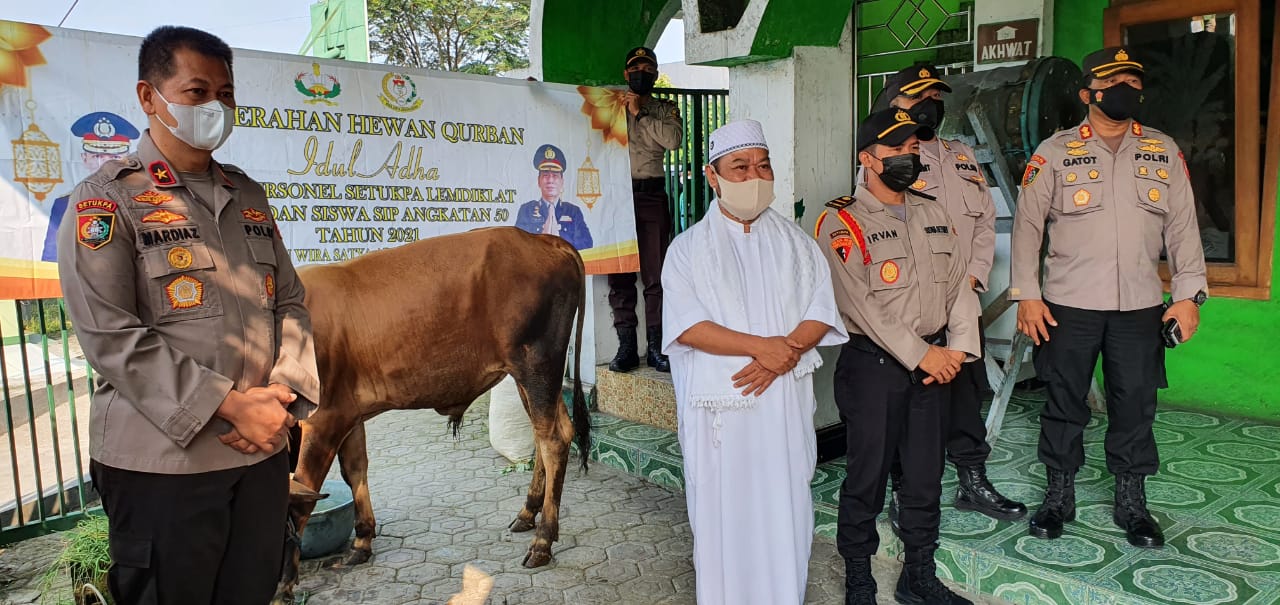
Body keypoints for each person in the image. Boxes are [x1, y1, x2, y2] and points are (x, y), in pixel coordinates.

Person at [56, 26, 320, 604]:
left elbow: (292, 302)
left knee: (251, 593)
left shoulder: (248, 196)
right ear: (150, 98)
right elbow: (110, 335)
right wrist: (232, 406)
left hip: (260, 455)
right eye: (196, 91)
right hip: (164, 466)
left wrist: (281, 396)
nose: (214, 107)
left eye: (225, 94)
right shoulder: (107, 199)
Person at [1011, 47, 1207, 548]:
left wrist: (1188, 296)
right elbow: (1028, 230)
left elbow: (1184, 229)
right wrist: (1027, 296)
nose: (1127, 90)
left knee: (1135, 405)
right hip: (1067, 306)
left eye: (1133, 82)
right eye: (1115, 81)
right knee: (1063, 403)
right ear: (1088, 94)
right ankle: (1058, 497)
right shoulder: (1053, 152)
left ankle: (1132, 502)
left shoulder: (1163, 151)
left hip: (1140, 307)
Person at [662, 120, 847, 605]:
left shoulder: (797, 244)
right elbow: (687, 326)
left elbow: (820, 310)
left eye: (763, 165)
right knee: (725, 514)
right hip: (722, 416)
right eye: (740, 167)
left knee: (783, 507)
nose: (754, 176)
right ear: (712, 175)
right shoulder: (687, 250)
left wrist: (781, 355)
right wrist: (761, 347)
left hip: (782, 405)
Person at [823, 108, 979, 605]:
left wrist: (958, 350)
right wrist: (924, 356)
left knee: (924, 475)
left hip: (936, 367)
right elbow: (857, 304)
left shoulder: (933, 212)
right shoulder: (841, 219)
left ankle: (919, 576)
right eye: (897, 149)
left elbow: (958, 288)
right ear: (867, 159)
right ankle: (859, 576)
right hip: (874, 368)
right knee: (867, 476)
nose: (909, 157)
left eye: (914, 148)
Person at [880, 65, 1026, 524]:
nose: (929, 106)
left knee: (966, 395)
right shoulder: (884, 156)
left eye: (935, 97)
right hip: (910, 305)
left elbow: (984, 221)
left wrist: (974, 278)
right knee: (909, 399)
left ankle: (972, 481)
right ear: (894, 103)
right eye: (918, 97)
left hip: (961, 300)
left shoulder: (959, 154)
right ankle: (904, 488)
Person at [608, 46, 682, 373]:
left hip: (652, 196)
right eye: (636, 66)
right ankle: (626, 347)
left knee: (656, 275)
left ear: (654, 72)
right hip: (618, 197)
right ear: (626, 73)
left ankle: (655, 347)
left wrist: (640, 112)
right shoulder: (608, 107)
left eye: (647, 67)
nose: (642, 71)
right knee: (621, 274)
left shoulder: (665, 109)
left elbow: (673, 140)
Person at [43, 112, 141, 262]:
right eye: (97, 156)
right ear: (84, 159)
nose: (106, 164)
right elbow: (52, 259)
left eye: (114, 157)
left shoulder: (143, 200)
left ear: (128, 159)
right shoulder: (64, 203)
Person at [514, 143, 593, 250]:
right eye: (545, 175)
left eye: (555, 176)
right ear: (539, 181)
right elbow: (517, 243)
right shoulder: (526, 210)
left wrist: (560, 245)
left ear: (562, 182)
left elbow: (587, 243)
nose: (550, 180)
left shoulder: (573, 212)